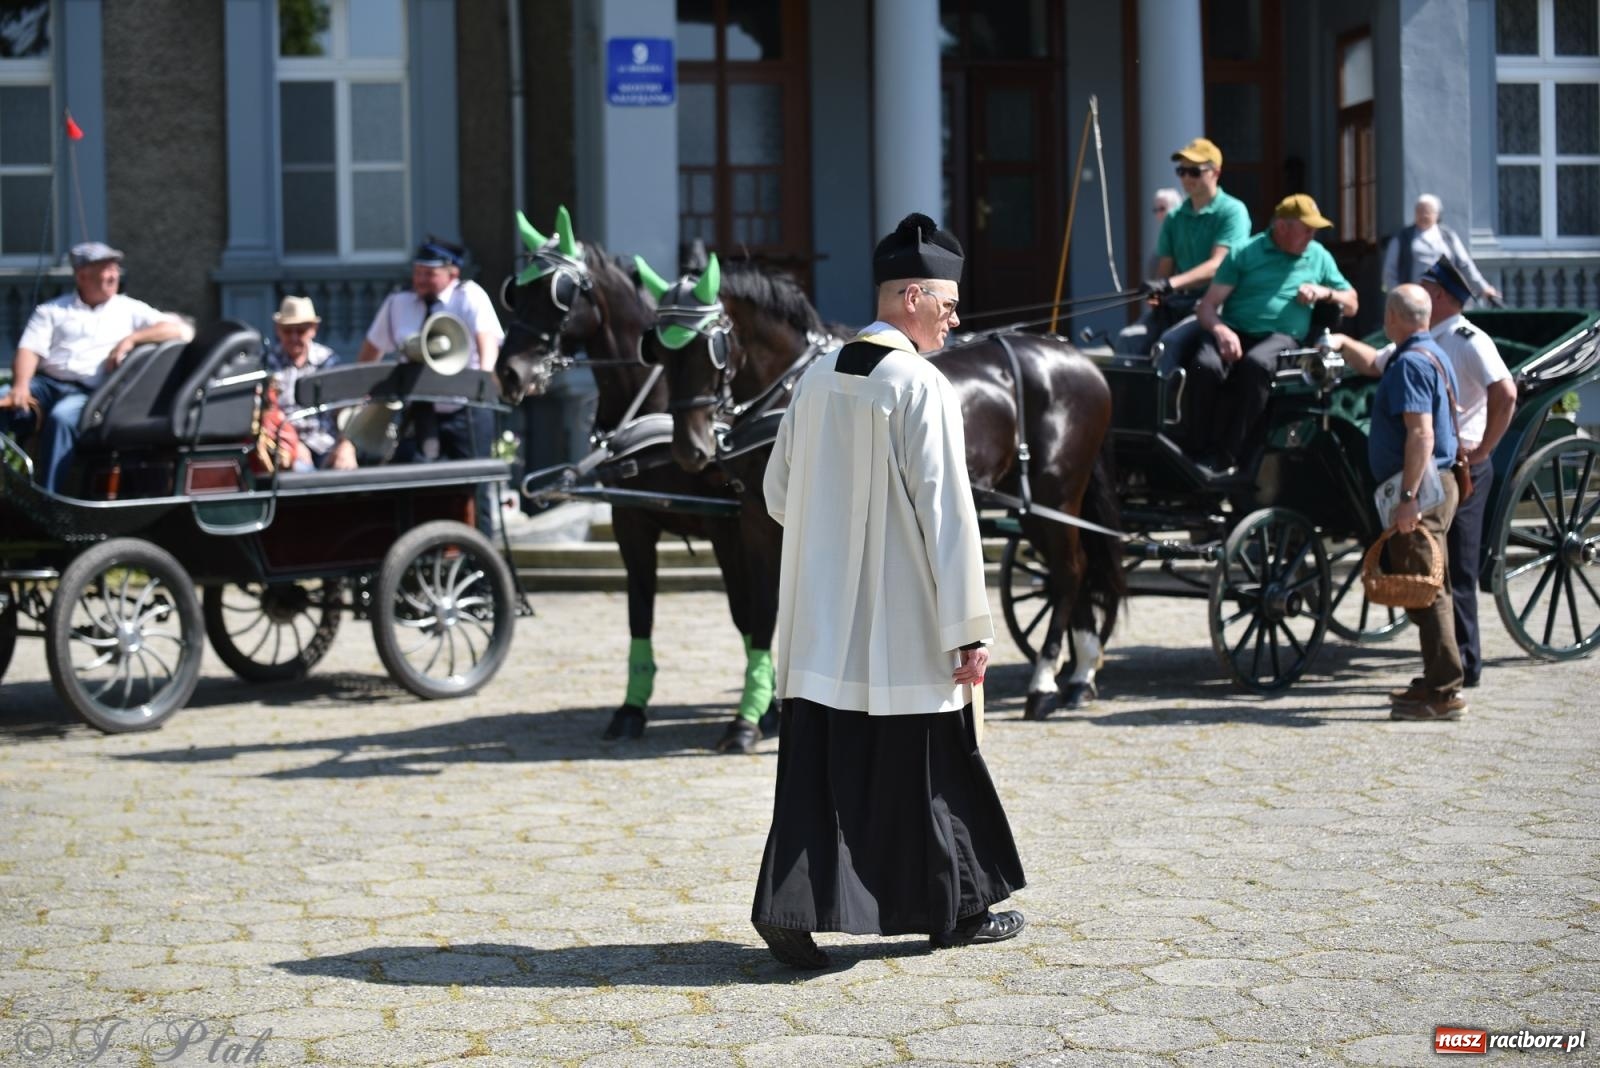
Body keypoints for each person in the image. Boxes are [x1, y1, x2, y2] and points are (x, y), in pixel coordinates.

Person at [750, 213, 1025, 969]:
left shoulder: (813, 378)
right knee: (929, 768)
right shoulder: (920, 385)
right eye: (948, 300)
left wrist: (829, 535)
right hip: (903, 625)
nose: (956, 314)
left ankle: (790, 911)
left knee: (816, 772)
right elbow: (947, 515)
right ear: (911, 295)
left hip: (817, 626)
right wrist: (968, 628)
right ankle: (956, 912)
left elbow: (778, 493)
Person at [1327, 257, 1514, 690]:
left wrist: (1484, 448)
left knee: (1452, 575)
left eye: (1428, 284)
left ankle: (1457, 672)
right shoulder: (1424, 345)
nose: (1421, 287)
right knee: (1433, 576)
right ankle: (1446, 673)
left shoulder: (1465, 341)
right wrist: (1339, 341)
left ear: (1441, 296)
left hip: (1452, 468)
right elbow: (1374, 361)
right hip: (1434, 470)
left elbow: (1502, 394)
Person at [1350, 285, 1467, 721]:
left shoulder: (1411, 364)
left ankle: (1444, 693)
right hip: (1437, 484)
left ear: (1395, 318)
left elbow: (1421, 435)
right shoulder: (1432, 353)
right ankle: (1437, 679)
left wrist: (1408, 499)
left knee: (1426, 589)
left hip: (1424, 490)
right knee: (1433, 586)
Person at [0, 241, 192, 492]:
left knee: (61, 419)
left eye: (115, 269)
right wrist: (20, 386)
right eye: (106, 269)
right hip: (47, 385)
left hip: (90, 394)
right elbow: (29, 349)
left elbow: (180, 330)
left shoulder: (128, 309)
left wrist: (132, 339)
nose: (114, 275)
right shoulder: (52, 310)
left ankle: (47, 500)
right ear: (82, 275)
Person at [1189, 194, 1359, 474]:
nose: (1312, 235)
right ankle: (1196, 450)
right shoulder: (1245, 252)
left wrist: (1324, 292)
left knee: (1256, 364)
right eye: (1306, 228)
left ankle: (1229, 455)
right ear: (1282, 227)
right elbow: (1207, 307)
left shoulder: (1318, 255)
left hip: (1282, 337)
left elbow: (1352, 303)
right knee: (1204, 365)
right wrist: (1221, 330)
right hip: (1234, 330)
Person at [342, 238, 504, 532]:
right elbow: (369, 354)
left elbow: (487, 344)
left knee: (475, 486)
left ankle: (480, 562)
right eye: (417, 272)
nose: (420, 280)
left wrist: (484, 379)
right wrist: (360, 395)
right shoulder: (398, 304)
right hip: (422, 411)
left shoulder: (469, 296)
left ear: (452, 273)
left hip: (465, 411)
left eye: (429, 274)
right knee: (415, 478)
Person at [1116, 138, 1252, 357]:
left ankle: (1169, 392)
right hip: (1178, 303)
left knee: (1169, 344)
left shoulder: (1233, 211)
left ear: (1215, 172)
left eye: (1195, 172)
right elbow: (1165, 269)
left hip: (1215, 305)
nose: (1187, 178)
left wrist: (1169, 283)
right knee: (1128, 341)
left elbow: (1218, 266)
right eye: (1182, 171)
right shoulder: (1174, 217)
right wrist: (1155, 294)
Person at [265, 295, 342, 470]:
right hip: (285, 444)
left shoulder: (328, 360)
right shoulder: (268, 363)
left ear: (313, 329)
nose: (293, 337)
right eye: (287, 330)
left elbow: (344, 408)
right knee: (302, 471)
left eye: (300, 331)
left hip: (325, 443)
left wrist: (346, 445)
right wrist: (294, 444)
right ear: (278, 329)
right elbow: (266, 412)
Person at [1382, 194, 1501, 302]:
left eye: (1427, 211)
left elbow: (1465, 264)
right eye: (1419, 211)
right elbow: (1390, 271)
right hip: (1415, 297)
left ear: (1436, 214)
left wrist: (1483, 288)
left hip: (1445, 296)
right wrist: (1399, 295)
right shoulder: (1402, 238)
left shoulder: (1448, 236)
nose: (1423, 215)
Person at [1146, 187, 1182, 279]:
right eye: (1155, 210)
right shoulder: (1162, 241)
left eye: (1162, 209)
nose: (1158, 214)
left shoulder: (1186, 235)